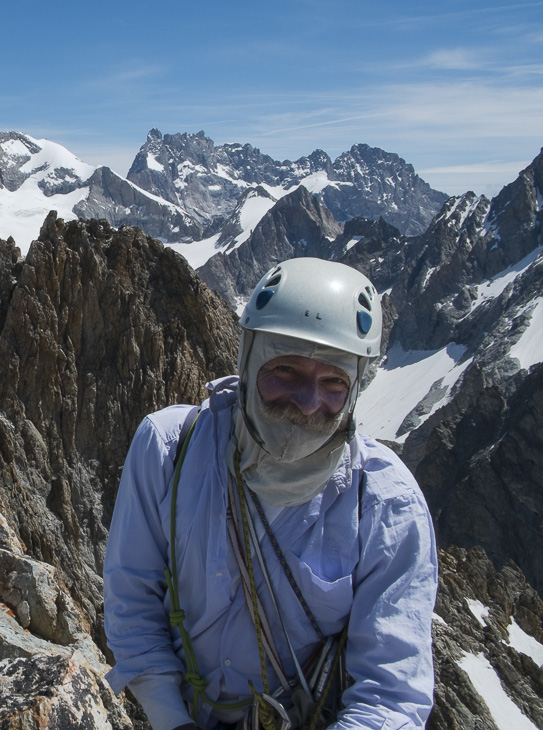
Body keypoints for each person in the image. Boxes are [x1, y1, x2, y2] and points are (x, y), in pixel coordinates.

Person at [103, 257, 437, 730]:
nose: (307, 402)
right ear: (248, 359)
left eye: (334, 382)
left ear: (357, 385)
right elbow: (132, 600)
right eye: (285, 371)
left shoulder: (386, 503)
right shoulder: (169, 448)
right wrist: (169, 718)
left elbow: (391, 691)